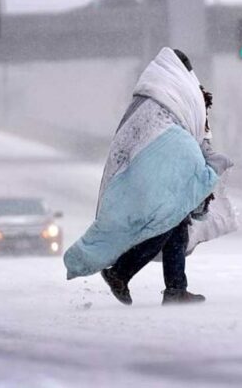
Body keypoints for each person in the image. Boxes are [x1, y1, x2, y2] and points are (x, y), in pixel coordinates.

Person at [63, 48, 230, 306]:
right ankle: (121, 272)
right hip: (158, 170)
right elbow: (188, 132)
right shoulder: (175, 93)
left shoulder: (149, 97)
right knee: (165, 223)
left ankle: (175, 289)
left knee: (175, 225)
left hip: (147, 170)